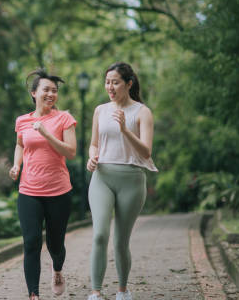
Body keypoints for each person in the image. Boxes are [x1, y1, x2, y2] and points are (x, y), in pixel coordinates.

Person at [85, 62, 158, 300]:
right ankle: (95, 292)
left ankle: (122, 291)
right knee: (99, 235)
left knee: (120, 240)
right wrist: (91, 157)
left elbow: (146, 152)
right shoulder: (100, 110)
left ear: (129, 84)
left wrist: (126, 130)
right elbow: (94, 143)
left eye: (115, 82)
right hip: (102, 177)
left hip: (132, 180)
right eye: (107, 82)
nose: (110, 87)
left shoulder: (142, 112)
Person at [9, 69, 77, 300]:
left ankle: (57, 270)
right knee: (31, 242)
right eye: (46, 90)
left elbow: (71, 152)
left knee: (55, 245)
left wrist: (47, 133)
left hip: (59, 191)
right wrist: (17, 165)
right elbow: (20, 144)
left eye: (54, 91)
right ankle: (33, 295)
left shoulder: (64, 118)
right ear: (34, 93)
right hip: (29, 190)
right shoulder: (22, 121)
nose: (51, 94)